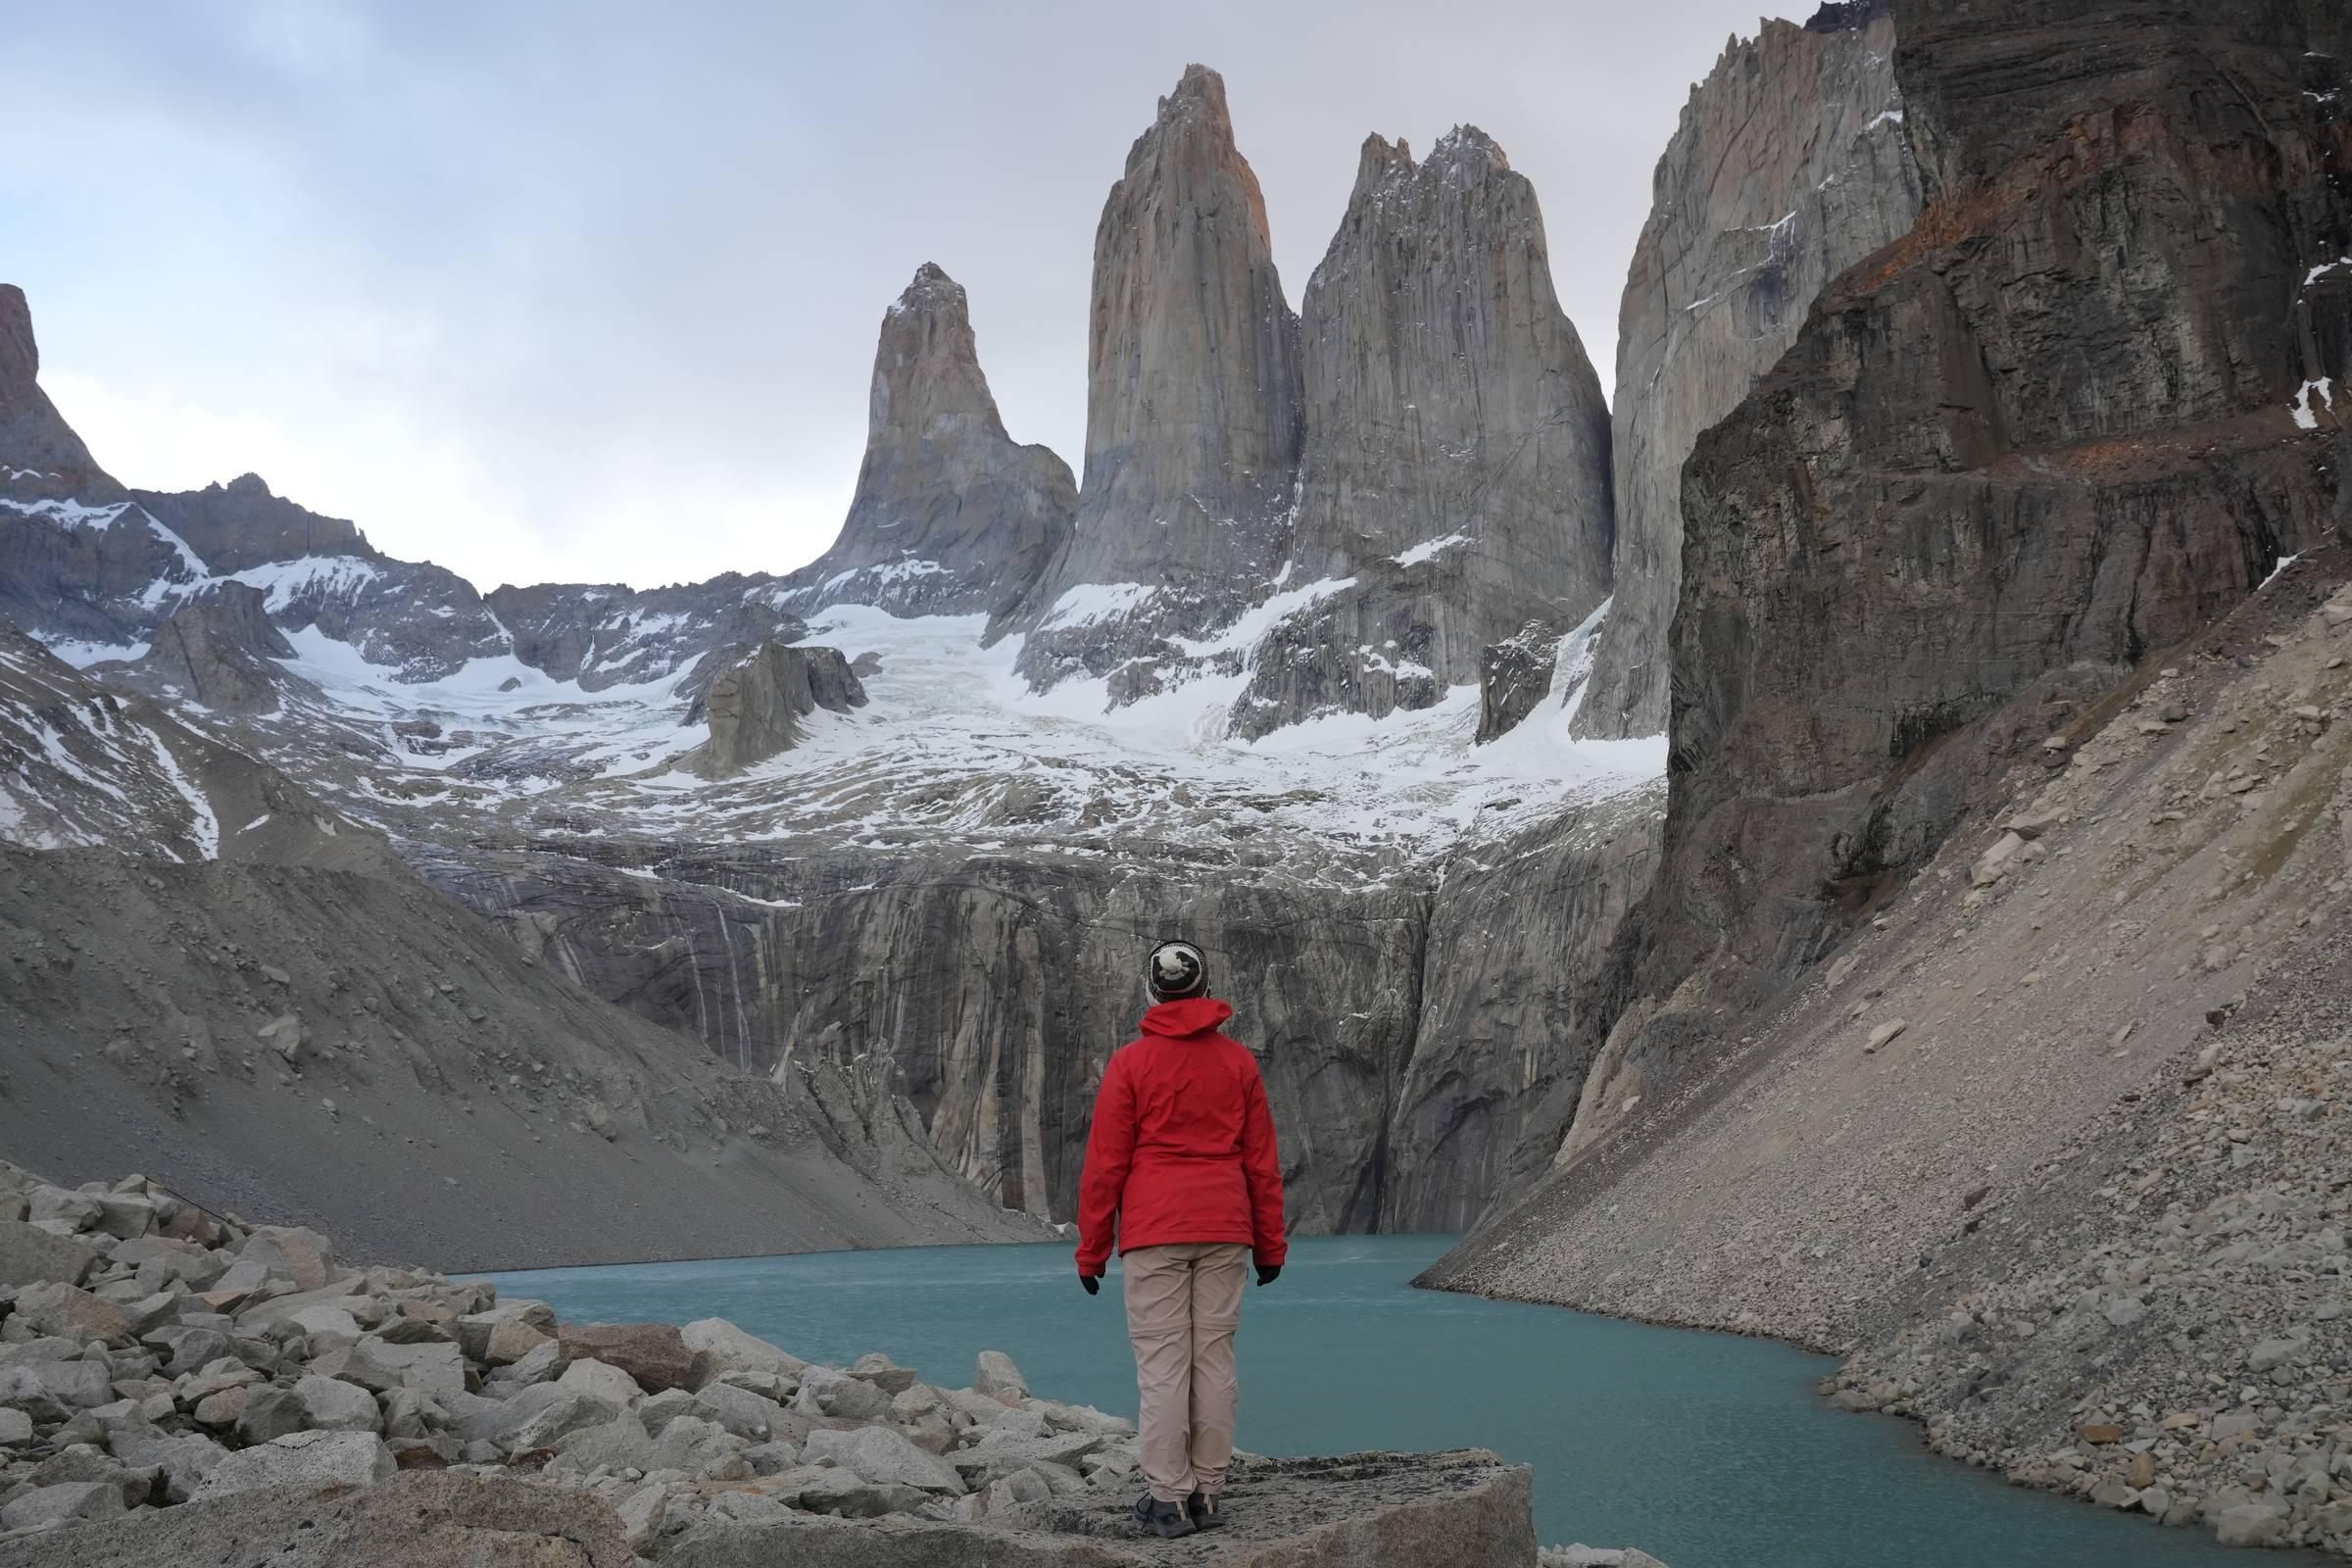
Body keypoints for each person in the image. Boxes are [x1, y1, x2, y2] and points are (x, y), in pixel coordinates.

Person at [1075, 938, 1288, 1540]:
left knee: (1164, 1366)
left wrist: (1092, 1248)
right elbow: (1262, 1164)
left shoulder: (1131, 1065)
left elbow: (1106, 1166)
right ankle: (1209, 1494)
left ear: (1153, 991)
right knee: (1213, 1360)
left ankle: (1167, 1499)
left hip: (1154, 1233)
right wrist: (1270, 1244)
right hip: (1225, 1228)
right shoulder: (1238, 1064)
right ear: (1204, 988)